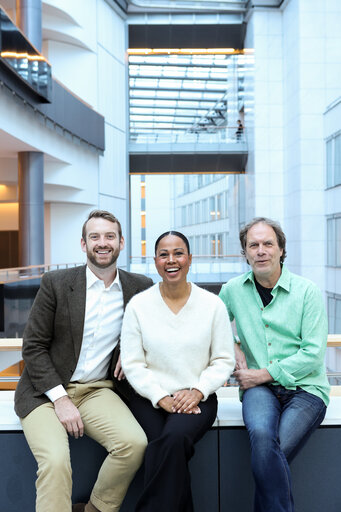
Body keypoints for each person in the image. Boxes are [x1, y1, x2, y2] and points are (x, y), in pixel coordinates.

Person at [14, 210, 153, 512]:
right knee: (55, 460)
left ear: (121, 242)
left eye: (109, 236)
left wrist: (131, 353)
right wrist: (60, 399)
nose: (102, 243)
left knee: (133, 445)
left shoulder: (139, 286)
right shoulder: (57, 283)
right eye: (95, 237)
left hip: (97, 390)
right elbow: (33, 346)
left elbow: (155, 333)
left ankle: (95, 509)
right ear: (83, 243)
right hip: (44, 392)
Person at [219, 217, 330, 512]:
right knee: (263, 439)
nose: (261, 250)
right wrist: (233, 347)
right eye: (253, 245)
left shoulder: (307, 292)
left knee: (270, 450)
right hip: (260, 391)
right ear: (245, 253)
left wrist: (263, 374)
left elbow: (314, 353)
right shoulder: (232, 290)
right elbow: (213, 326)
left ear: (281, 249)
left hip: (306, 389)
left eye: (268, 243)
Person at [120, 230, 235, 512]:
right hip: (148, 398)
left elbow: (223, 360)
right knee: (166, 446)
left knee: (170, 440)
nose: (171, 260)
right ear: (156, 261)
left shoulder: (212, 305)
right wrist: (161, 397)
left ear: (190, 258)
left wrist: (198, 390)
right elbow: (133, 363)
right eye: (164, 254)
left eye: (178, 253)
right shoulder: (139, 306)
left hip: (198, 398)